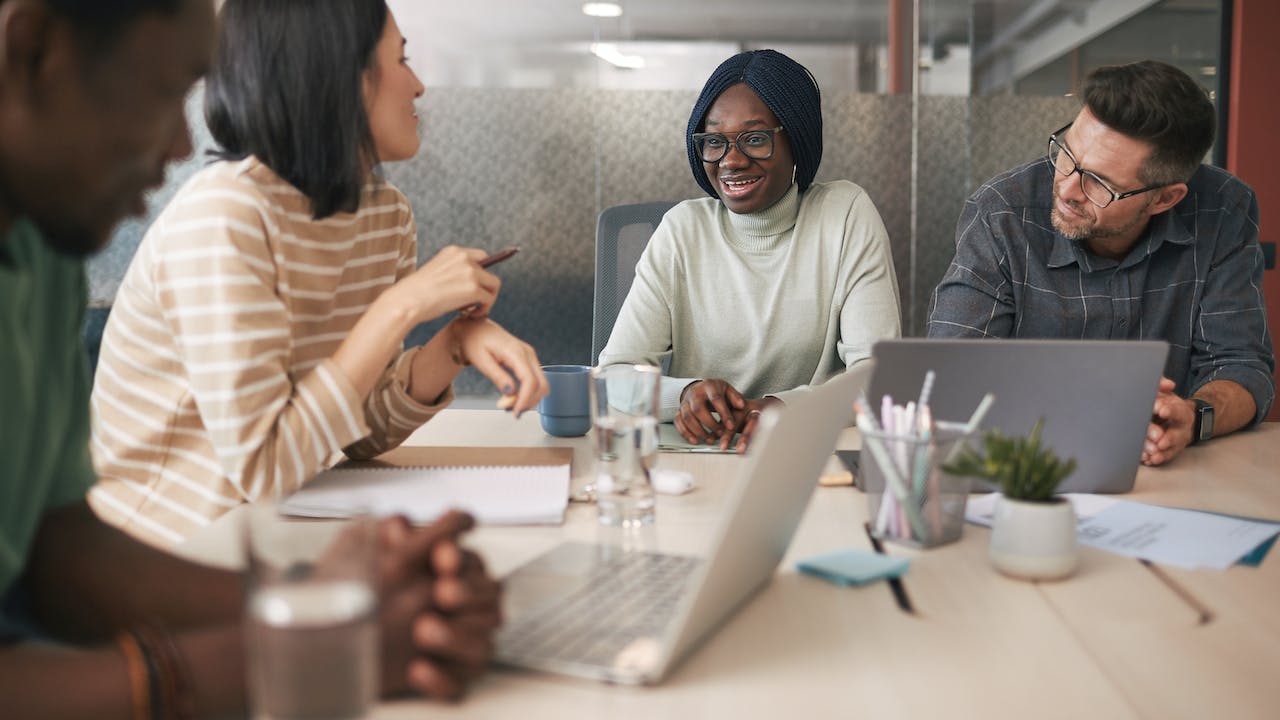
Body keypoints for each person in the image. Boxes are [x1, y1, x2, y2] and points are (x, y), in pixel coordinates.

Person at [0, 0, 500, 715]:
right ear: (36, 50)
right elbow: (261, 464)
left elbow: (62, 554)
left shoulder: (45, 251)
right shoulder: (221, 215)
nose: (181, 143)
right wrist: (309, 644)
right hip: (199, 531)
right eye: (163, 90)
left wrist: (326, 602)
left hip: (253, 533)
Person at [89, 0, 548, 549]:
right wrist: (401, 305)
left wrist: (452, 346)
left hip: (275, 534)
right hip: (159, 550)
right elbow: (263, 469)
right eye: (401, 61)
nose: (420, 85)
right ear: (345, 79)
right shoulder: (226, 216)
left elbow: (360, 431)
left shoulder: (385, 215)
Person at [928, 60, 1274, 467]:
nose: (1068, 189)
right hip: (1025, 464)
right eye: (1067, 155)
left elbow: (1242, 367)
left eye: (1100, 183)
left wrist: (1193, 416)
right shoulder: (1002, 213)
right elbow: (950, 371)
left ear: (1164, 199)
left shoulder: (1223, 210)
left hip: (1166, 473)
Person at [597, 49, 902, 452]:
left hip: (805, 457)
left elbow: (879, 377)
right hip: (698, 461)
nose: (732, 161)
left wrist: (784, 409)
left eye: (755, 139)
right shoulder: (682, 231)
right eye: (715, 142)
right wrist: (683, 396)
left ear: (796, 139)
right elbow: (612, 377)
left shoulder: (844, 216)